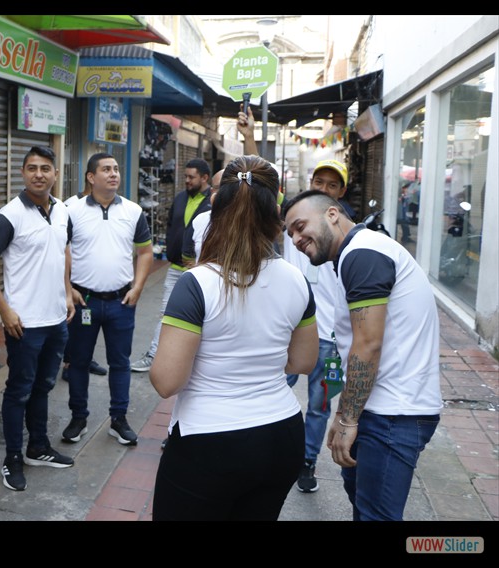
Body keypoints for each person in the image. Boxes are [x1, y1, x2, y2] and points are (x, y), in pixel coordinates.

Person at [149, 156, 318, 521]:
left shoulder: (197, 284)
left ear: (215, 206)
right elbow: (303, 362)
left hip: (208, 441)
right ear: (275, 211)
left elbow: (166, 381)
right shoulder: (296, 280)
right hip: (282, 435)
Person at [283, 190, 442, 521]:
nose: (296, 239)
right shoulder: (358, 253)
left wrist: (347, 418)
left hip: (394, 414)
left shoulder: (363, 252)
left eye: (300, 226)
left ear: (332, 214)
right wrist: (346, 414)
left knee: (375, 515)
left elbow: (367, 344)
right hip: (382, 410)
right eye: (290, 234)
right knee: (362, 501)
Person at [0, 145, 75, 491]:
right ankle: (13, 457)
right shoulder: (10, 215)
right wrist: (5, 310)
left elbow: (62, 249)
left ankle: (38, 447)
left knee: (44, 386)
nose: (38, 174)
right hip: (24, 324)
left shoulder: (62, 210)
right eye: (31, 168)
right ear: (22, 173)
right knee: (19, 391)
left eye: (45, 168)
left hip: (56, 320)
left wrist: (67, 291)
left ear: (55, 174)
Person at [62, 152, 153, 447]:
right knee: (78, 362)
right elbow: (58, 250)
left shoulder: (133, 211)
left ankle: (119, 419)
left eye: (115, 169)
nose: (113, 174)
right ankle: (79, 418)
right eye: (106, 170)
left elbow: (145, 252)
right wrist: (67, 289)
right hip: (83, 301)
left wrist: (138, 287)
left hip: (120, 302)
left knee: (120, 362)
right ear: (91, 177)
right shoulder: (71, 210)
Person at [279, 159, 354, 494]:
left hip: (331, 341)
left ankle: (307, 461)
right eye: (318, 181)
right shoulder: (293, 220)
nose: (323, 187)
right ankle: (273, 446)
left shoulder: (348, 237)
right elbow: (263, 179)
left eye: (332, 184)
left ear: (340, 196)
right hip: (292, 332)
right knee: (274, 388)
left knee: (320, 405)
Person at [131, 158, 211, 372]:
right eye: (185, 176)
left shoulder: (212, 203)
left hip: (201, 272)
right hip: (176, 268)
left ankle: (192, 360)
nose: (186, 180)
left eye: (191, 177)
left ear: (204, 178)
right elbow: (171, 226)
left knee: (200, 317)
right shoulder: (180, 198)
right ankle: (154, 355)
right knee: (166, 313)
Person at [60, 175, 107, 380]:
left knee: (88, 325)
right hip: (75, 279)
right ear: (91, 178)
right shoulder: (71, 205)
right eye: (104, 172)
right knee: (74, 322)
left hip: (94, 279)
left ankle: (85, 360)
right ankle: (69, 364)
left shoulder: (106, 206)